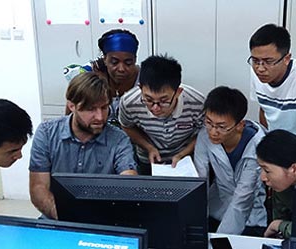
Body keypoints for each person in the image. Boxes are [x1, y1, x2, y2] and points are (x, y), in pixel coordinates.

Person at [30, 72, 138, 219]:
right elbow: (38, 188)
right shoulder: (47, 133)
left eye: (104, 107)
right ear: (72, 106)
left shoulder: (118, 139)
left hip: (104, 219)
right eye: (91, 109)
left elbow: (128, 182)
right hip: (57, 217)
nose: (100, 117)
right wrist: (69, 218)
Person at [194, 86, 267, 236]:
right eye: (209, 123)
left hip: (251, 214)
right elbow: (200, 180)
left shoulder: (257, 146)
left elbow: (243, 198)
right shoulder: (204, 135)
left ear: (240, 125)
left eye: (221, 127)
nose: (213, 132)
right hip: (217, 206)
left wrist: (219, 241)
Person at [119, 55, 205, 175]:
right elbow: (127, 126)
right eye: (148, 99)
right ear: (140, 88)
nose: (155, 108)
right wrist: (148, 147)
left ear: (178, 92)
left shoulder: (197, 103)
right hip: (148, 158)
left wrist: (184, 153)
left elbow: (205, 132)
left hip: (185, 158)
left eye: (164, 101)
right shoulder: (129, 102)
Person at [249, 23, 296, 145]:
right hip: (274, 147)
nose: (260, 69)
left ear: (286, 59)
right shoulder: (256, 72)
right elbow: (264, 109)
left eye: (268, 61)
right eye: (255, 61)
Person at [64, 29, 140, 125]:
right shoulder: (89, 74)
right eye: (114, 62)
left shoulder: (145, 79)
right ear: (104, 59)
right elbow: (70, 117)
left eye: (128, 63)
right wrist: (101, 84)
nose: (121, 69)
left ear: (135, 60)